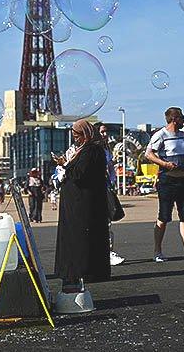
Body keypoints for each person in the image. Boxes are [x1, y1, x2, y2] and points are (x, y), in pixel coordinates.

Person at [145, 107, 184, 263]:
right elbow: (148, 154)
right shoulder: (160, 135)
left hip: (183, 180)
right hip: (167, 181)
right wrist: (164, 164)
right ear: (174, 119)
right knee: (164, 217)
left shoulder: (182, 135)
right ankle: (157, 251)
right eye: (182, 118)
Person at [55, 120, 111, 292]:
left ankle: (84, 271)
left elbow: (81, 174)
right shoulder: (86, 150)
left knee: (82, 237)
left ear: (85, 134)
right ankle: (77, 270)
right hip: (79, 202)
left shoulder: (91, 150)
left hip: (85, 204)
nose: (75, 138)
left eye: (77, 135)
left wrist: (64, 163)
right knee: (77, 237)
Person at [98, 124, 125, 266]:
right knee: (101, 222)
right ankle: (104, 253)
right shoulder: (95, 149)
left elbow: (109, 168)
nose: (105, 134)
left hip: (106, 186)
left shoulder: (106, 149)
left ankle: (108, 252)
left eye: (105, 131)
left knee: (107, 222)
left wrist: (112, 180)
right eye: (102, 132)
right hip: (97, 188)